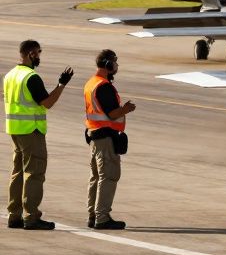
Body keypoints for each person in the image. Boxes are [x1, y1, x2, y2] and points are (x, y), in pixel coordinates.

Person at [5, 40, 73, 230]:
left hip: (15, 129)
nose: (39, 56)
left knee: (18, 172)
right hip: (31, 130)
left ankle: (14, 215)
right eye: (38, 52)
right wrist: (61, 84)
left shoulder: (10, 75)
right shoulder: (31, 77)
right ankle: (31, 216)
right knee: (34, 173)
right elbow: (47, 103)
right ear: (30, 54)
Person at [83, 49, 135, 230]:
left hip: (95, 136)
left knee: (96, 177)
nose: (116, 66)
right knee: (109, 176)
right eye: (115, 62)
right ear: (108, 64)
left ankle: (93, 214)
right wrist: (126, 109)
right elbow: (112, 114)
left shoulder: (91, 83)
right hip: (105, 138)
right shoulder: (103, 86)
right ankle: (102, 217)